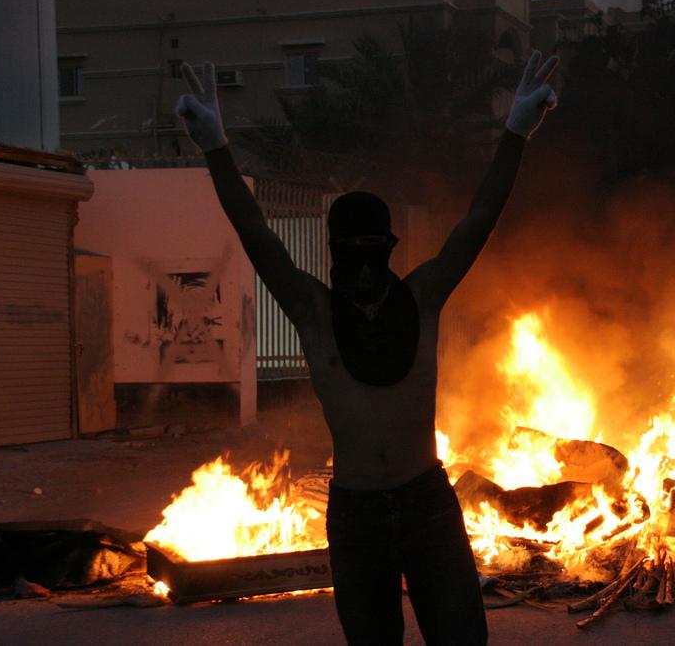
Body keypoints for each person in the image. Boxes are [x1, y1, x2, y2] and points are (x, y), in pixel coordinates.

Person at [176, 51, 558, 645]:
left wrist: (515, 133)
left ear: (388, 246)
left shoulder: (423, 296)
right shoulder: (313, 311)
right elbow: (256, 234)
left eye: (369, 246)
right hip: (355, 515)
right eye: (347, 246)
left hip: (428, 503)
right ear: (333, 249)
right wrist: (214, 148)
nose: (359, 259)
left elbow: (479, 219)